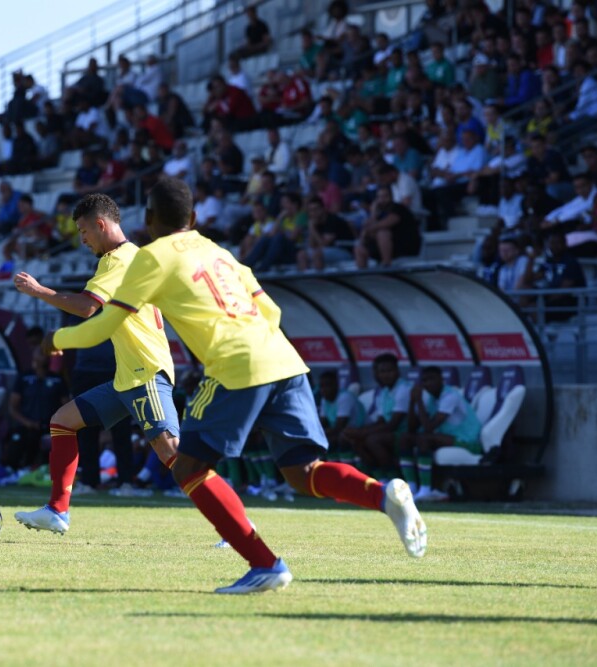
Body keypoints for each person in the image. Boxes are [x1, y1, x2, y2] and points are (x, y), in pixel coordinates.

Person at [43, 178, 427, 593]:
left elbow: (104, 324)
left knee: (188, 467)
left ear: (149, 219)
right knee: (302, 473)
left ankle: (265, 564)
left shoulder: (149, 258)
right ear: (192, 218)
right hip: (284, 360)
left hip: (235, 365)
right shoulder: (218, 251)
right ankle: (383, 494)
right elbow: (271, 309)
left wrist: (56, 340)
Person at [12, 193, 181, 533]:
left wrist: (39, 290)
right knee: (63, 421)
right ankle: (57, 510)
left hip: (145, 372)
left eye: (83, 231)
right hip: (127, 376)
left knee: (172, 452)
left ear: (100, 225)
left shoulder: (116, 260)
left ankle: (235, 523)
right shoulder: (133, 255)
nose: (82, 239)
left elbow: (87, 307)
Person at [400, 366, 482, 502]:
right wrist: (412, 401)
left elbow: (428, 428)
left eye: (432, 379)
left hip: (468, 441)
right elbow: (411, 428)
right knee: (405, 439)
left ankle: (426, 490)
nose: (428, 383)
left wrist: (419, 400)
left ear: (441, 380)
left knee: (424, 440)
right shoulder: (432, 399)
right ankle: (412, 489)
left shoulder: (450, 396)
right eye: (424, 381)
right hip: (447, 438)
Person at [340, 353, 413, 481]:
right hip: (392, 432)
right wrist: (359, 432)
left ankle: (394, 478)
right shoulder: (383, 392)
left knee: (372, 440)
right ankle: (380, 478)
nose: (386, 375)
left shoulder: (404, 389)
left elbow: (393, 424)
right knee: (355, 439)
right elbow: (381, 420)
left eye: (389, 370)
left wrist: (362, 432)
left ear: (397, 371)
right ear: (377, 374)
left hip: (407, 432)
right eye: (382, 371)